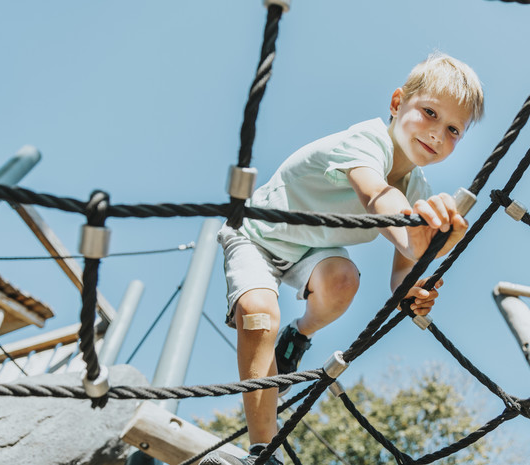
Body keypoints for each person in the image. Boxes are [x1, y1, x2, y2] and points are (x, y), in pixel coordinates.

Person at [205, 52, 484, 465]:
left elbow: (403, 272)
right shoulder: (365, 142)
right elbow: (377, 197)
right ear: (396, 104)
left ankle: (298, 337)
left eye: (453, 129)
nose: (438, 134)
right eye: (429, 113)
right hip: (258, 234)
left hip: (311, 250)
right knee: (258, 312)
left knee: (343, 281)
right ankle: (263, 451)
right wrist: (420, 241)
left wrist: (416, 288)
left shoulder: (419, 187)